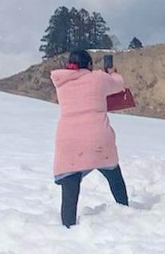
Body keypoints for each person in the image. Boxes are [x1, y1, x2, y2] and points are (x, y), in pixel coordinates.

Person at [50, 49, 131, 227]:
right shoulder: (98, 78)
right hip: (98, 138)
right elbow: (118, 84)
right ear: (89, 65)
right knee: (114, 175)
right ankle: (125, 210)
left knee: (70, 184)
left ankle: (68, 224)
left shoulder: (61, 83)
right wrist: (112, 73)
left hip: (69, 140)